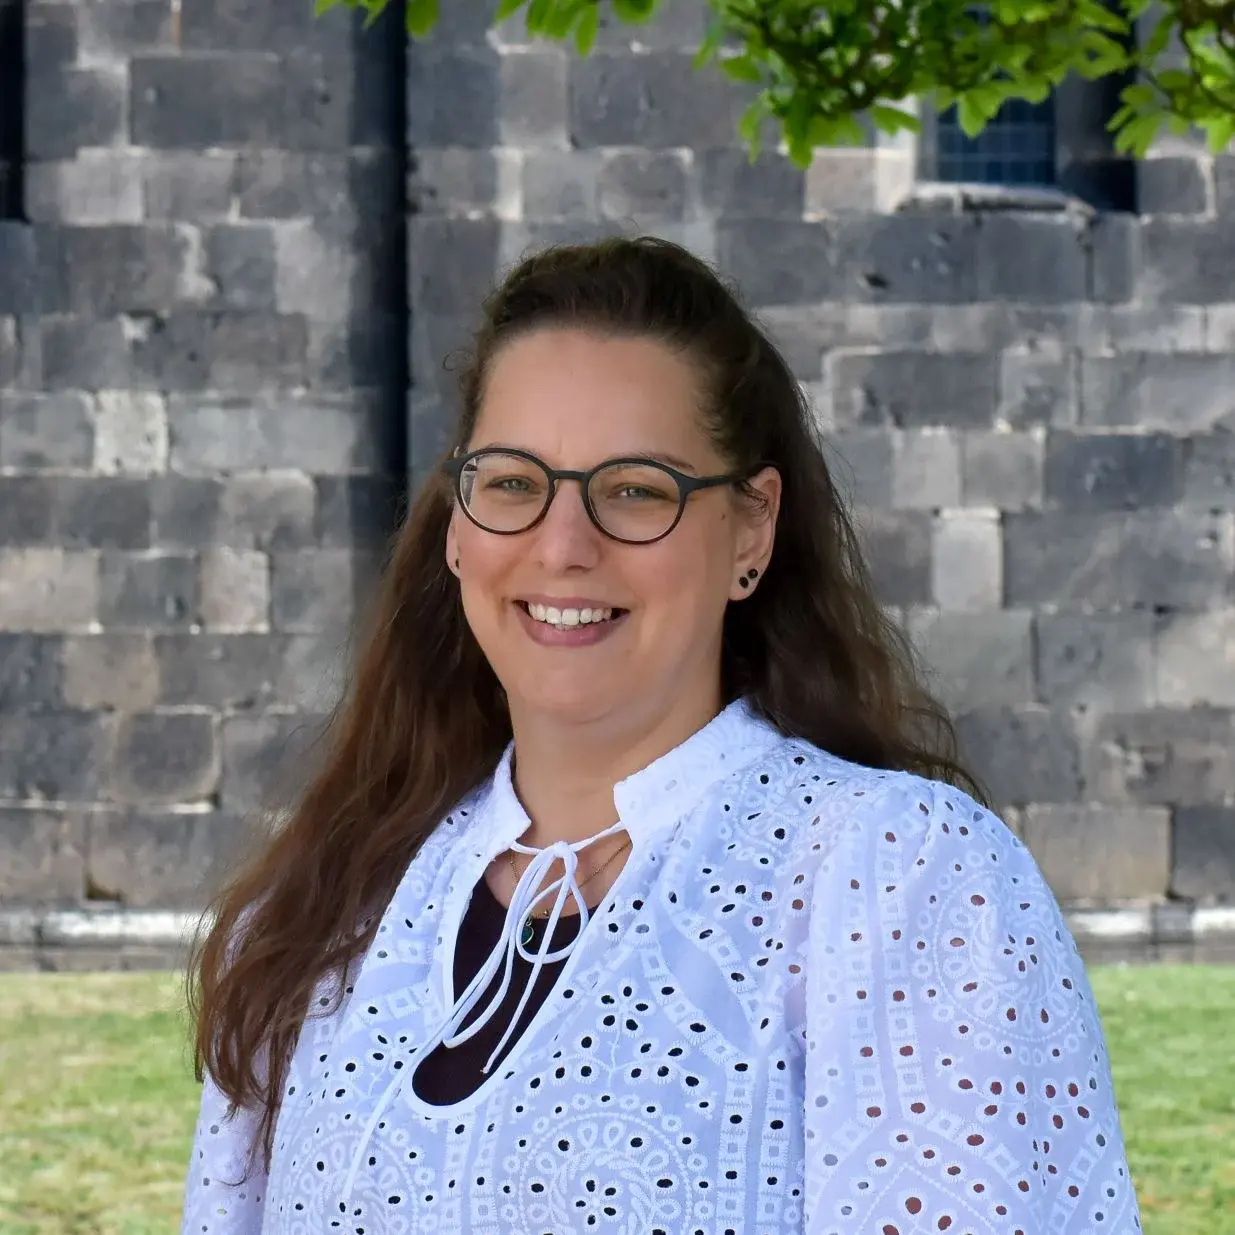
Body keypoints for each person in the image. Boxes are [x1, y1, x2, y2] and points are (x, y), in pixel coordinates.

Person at [182, 236, 1140, 1235]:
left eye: (635, 488)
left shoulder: (895, 877)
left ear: (750, 527)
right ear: (458, 524)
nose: (561, 545)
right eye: (512, 482)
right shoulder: (321, 912)